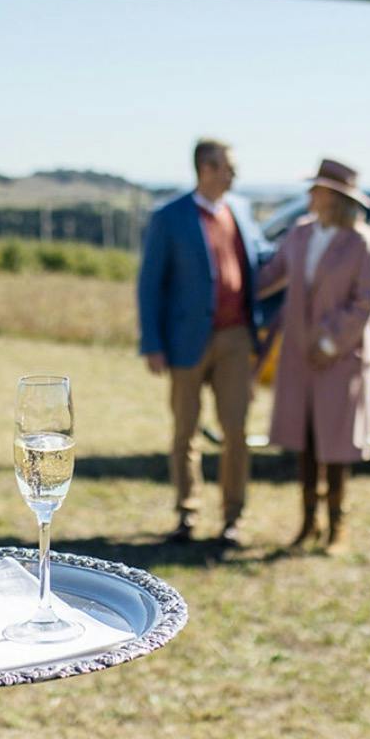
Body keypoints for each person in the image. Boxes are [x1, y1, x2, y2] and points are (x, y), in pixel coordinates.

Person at [136, 138, 268, 546]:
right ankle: (187, 514)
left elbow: (263, 259)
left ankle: (232, 518)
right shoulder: (169, 216)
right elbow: (150, 283)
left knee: (236, 431)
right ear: (206, 169)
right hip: (185, 340)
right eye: (229, 167)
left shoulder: (240, 210)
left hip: (235, 338)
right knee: (185, 432)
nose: (235, 175)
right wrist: (152, 343)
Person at [256, 158, 370, 554]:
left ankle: (336, 525)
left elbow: (366, 302)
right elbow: (270, 275)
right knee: (307, 440)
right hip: (299, 355)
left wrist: (330, 342)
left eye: (318, 189)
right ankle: (308, 522)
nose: (310, 195)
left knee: (336, 444)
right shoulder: (301, 233)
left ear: (335, 197)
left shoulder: (362, 241)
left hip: (341, 358)